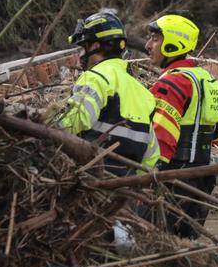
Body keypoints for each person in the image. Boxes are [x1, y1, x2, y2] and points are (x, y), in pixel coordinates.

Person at [145, 14, 218, 238]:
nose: (147, 45)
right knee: (188, 245)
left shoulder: (171, 82)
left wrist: (149, 175)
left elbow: (162, 135)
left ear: (172, 42)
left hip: (173, 178)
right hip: (204, 176)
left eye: (154, 39)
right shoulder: (207, 80)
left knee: (157, 241)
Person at [58, 11, 160, 175]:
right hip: (126, 187)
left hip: (92, 180)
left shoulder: (95, 78)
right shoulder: (144, 94)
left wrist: (44, 127)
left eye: (83, 47)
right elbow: (152, 155)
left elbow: (73, 122)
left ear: (96, 46)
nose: (80, 54)